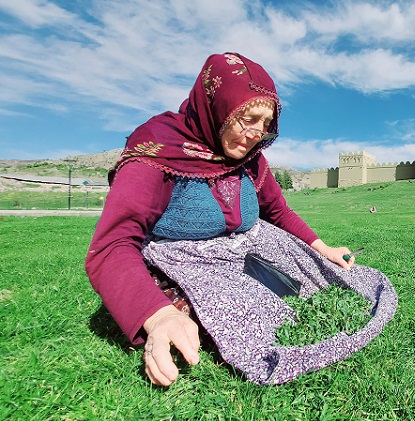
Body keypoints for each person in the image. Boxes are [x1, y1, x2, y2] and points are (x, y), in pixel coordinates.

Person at [85, 52, 397, 386]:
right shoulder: (158, 150)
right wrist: (157, 316)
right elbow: (113, 244)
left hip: (252, 245)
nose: (256, 134)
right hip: (190, 258)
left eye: (265, 125)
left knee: (324, 277)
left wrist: (324, 249)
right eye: (248, 119)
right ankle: (171, 299)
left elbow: (278, 211)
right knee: (254, 317)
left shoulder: (251, 159)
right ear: (217, 107)